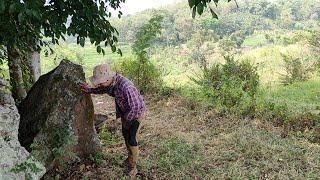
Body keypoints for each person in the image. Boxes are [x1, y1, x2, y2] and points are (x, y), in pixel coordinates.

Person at [80, 63, 145, 177]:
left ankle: (133, 167)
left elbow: (135, 107)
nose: (100, 84)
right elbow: (102, 89)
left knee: (132, 139)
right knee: (125, 135)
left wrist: (126, 120)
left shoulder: (126, 86)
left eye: (101, 82)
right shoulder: (109, 83)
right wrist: (89, 90)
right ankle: (129, 158)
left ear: (109, 77)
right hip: (126, 114)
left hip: (135, 115)